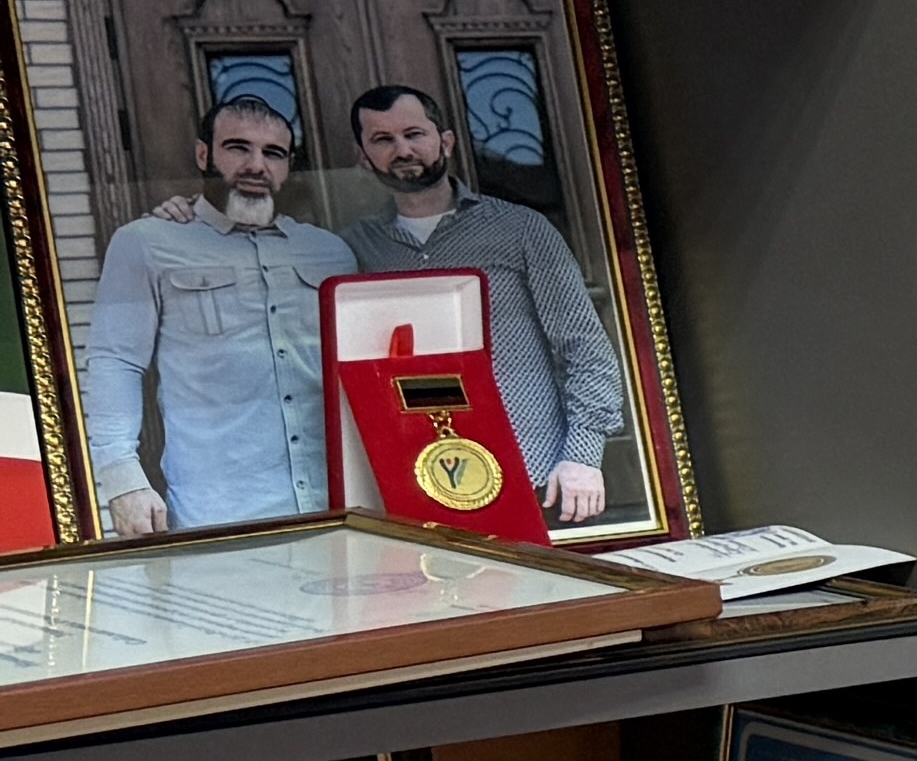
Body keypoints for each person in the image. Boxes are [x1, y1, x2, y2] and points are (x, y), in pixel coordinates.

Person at [334, 82, 630, 524]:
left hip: (536, 474)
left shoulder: (521, 229)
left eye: (414, 134)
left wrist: (583, 456)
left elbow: (585, 347)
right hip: (415, 483)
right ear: (363, 156)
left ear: (446, 141)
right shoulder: (355, 247)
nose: (403, 150)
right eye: (383, 139)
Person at [78, 92, 340, 537]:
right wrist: (123, 482)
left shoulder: (330, 251)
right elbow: (114, 362)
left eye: (273, 153)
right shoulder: (147, 242)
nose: (256, 165)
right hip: (220, 513)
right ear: (203, 155)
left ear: (288, 167)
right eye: (238, 148)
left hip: (337, 504)